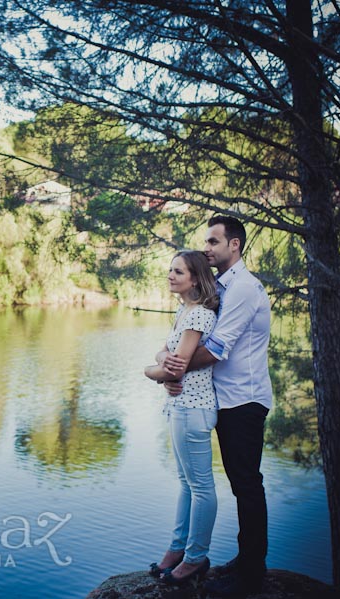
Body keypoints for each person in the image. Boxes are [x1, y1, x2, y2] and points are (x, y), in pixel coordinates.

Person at [160, 215, 273, 597]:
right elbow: (187, 340)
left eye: (213, 242)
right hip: (221, 400)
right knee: (235, 483)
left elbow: (217, 349)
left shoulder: (242, 288)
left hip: (245, 398)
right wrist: (172, 365)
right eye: (205, 243)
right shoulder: (221, 288)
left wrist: (167, 370)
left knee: (246, 484)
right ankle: (243, 561)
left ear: (234, 245)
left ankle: (251, 572)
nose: (206, 248)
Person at [144, 249, 219, 586]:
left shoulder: (199, 315)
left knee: (201, 487)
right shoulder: (184, 310)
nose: (171, 275)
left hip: (193, 408)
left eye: (178, 271)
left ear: (195, 278)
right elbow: (167, 356)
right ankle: (177, 551)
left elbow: (177, 367)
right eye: (170, 270)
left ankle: (195, 557)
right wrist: (161, 362)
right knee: (187, 484)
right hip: (182, 406)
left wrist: (150, 371)